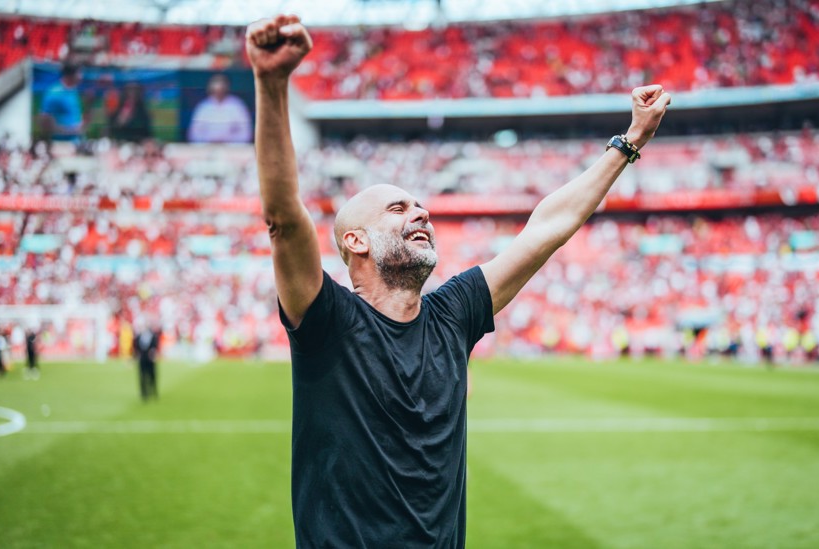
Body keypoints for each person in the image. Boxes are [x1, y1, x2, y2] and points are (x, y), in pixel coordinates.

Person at [246, 14, 669, 548]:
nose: (421, 213)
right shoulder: (328, 320)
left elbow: (546, 230)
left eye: (422, 206)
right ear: (355, 242)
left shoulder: (452, 314)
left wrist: (630, 140)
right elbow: (283, 218)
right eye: (399, 209)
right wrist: (272, 82)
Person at [187, 73, 253, 143]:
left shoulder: (237, 105)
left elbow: (246, 133)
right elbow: (194, 134)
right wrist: (210, 140)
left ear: (227, 88)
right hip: (207, 149)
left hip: (232, 149)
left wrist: (227, 140)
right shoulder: (203, 107)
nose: (219, 92)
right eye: (216, 90)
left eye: (221, 89)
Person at [37, 63, 85, 144]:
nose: (81, 76)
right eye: (79, 73)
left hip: (76, 142)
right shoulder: (55, 93)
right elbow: (43, 121)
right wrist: (68, 131)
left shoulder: (73, 90)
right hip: (60, 144)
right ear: (71, 75)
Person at [133, 323, 160, 401]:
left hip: (150, 360)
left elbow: (155, 346)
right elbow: (136, 348)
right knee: (142, 376)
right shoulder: (138, 337)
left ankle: (153, 391)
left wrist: (153, 353)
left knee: (152, 376)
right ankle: (144, 393)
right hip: (142, 360)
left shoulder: (152, 336)